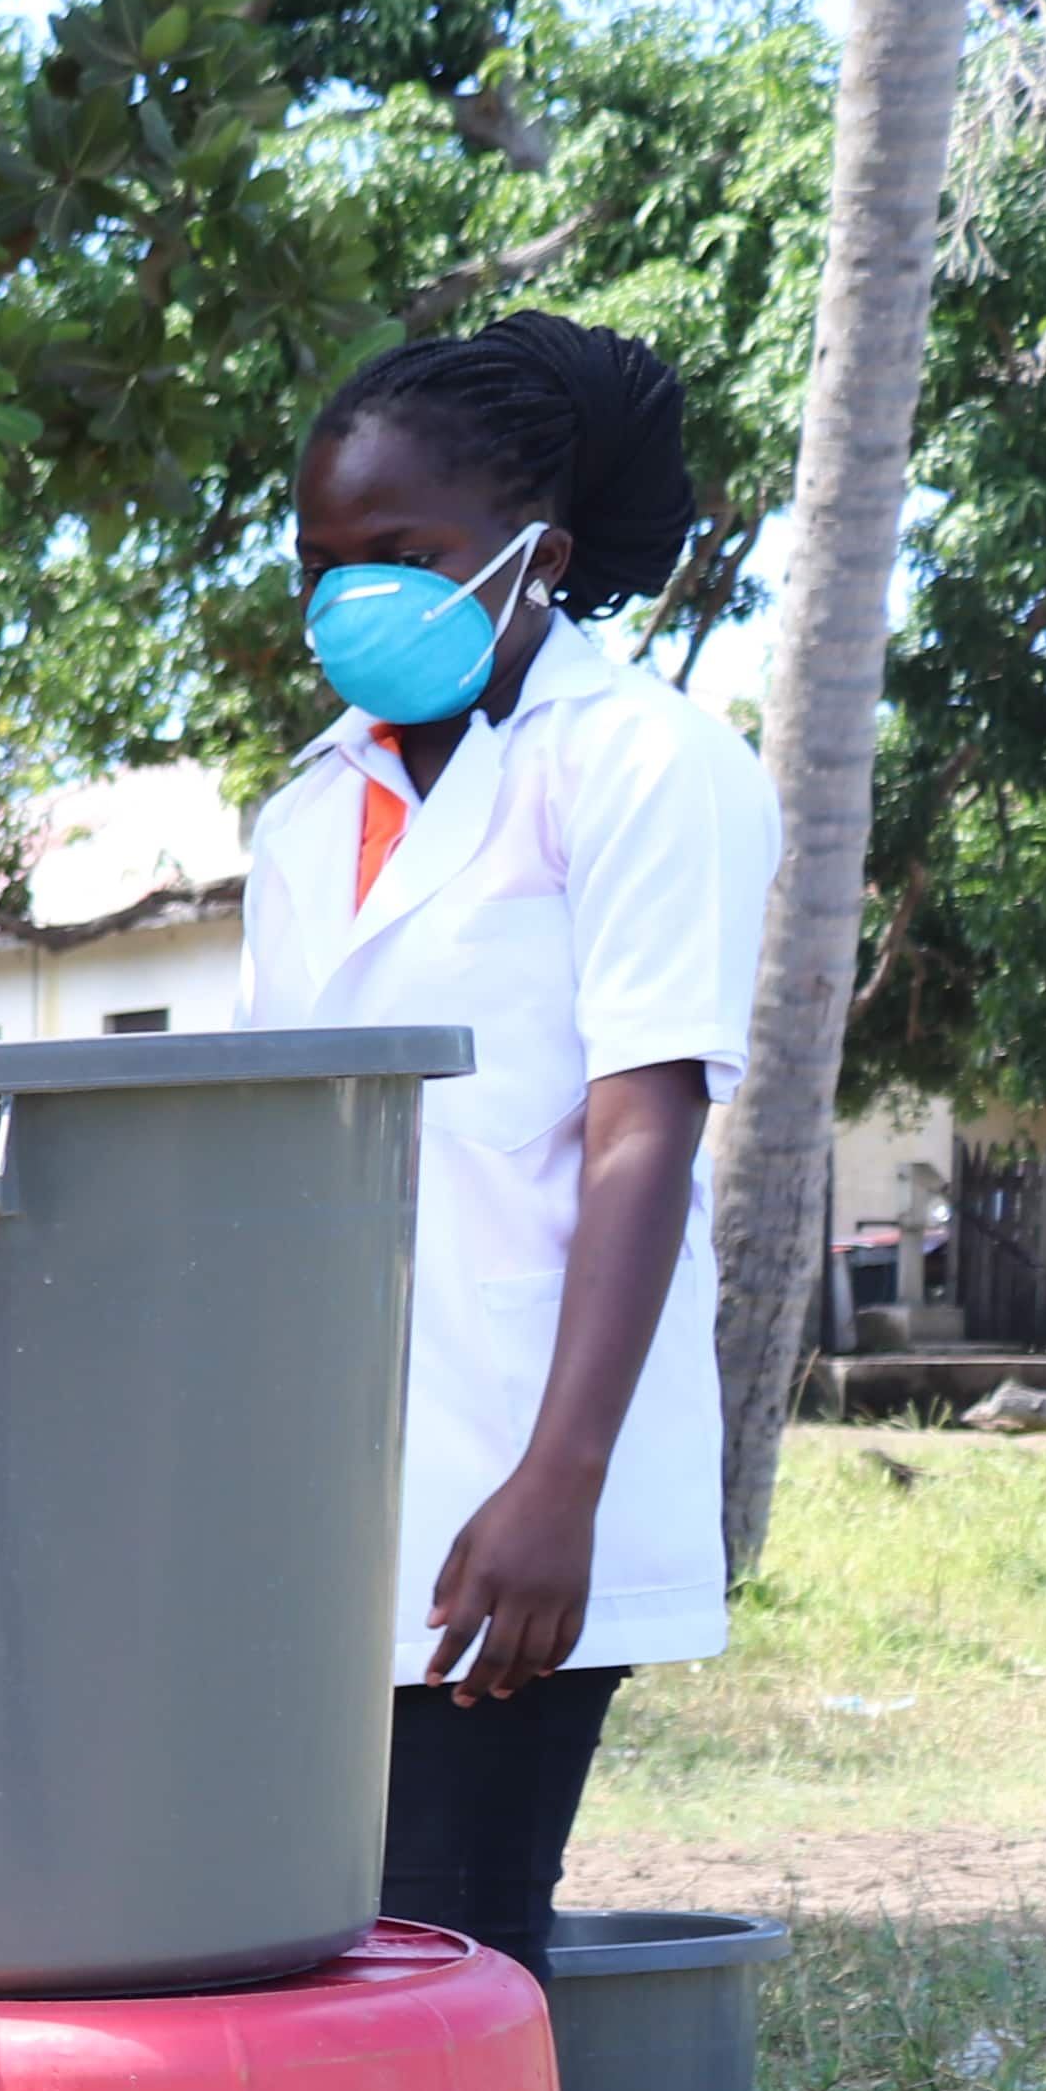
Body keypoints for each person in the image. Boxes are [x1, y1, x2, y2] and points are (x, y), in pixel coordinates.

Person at [239, 312, 772, 1977]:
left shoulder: (642, 767)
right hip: (331, 1486)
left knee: (450, 1947)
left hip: (519, 1483)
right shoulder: (311, 807)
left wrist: (559, 1486)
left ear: (535, 555)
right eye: (323, 560)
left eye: (403, 553)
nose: (353, 597)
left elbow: (643, 1133)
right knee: (318, 1950)